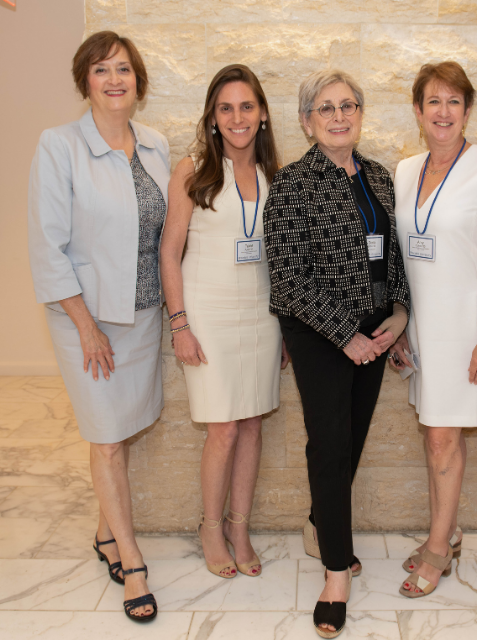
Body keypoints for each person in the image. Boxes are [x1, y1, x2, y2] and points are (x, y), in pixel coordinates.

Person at [264, 69, 410, 638]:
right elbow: (287, 279)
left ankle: (318, 524)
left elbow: (393, 254)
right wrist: (344, 333)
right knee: (329, 442)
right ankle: (334, 573)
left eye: (348, 105)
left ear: (360, 112)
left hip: (375, 331)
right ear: (307, 121)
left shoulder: (378, 175)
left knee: (353, 435)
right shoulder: (292, 184)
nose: (339, 115)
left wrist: (398, 316)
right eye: (325, 108)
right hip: (321, 334)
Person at [27, 31, 167, 622]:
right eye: (102, 70)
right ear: (85, 80)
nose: (114, 80)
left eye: (124, 70)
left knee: (123, 430)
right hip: (87, 319)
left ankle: (106, 533)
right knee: (106, 437)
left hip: (144, 313)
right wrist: (85, 326)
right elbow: (46, 245)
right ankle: (131, 562)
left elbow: (171, 230)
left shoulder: (157, 144)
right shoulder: (58, 146)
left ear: (139, 82)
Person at [388, 62, 477, 599]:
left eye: (454, 102)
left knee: (444, 436)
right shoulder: (404, 169)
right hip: (422, 326)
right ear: (417, 112)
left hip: (469, 326)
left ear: (467, 111)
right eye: (433, 102)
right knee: (435, 433)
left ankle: (439, 547)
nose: (443, 112)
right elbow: (398, 257)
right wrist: (398, 327)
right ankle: (448, 529)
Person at [159, 64, 288, 580]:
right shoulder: (191, 170)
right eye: (226, 108)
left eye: (247, 106)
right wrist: (180, 325)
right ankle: (210, 526)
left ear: (262, 115)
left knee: (253, 423)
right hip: (207, 313)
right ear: (213, 117)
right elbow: (169, 254)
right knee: (224, 429)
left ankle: (240, 526)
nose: (238, 117)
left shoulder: (274, 174)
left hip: (261, 314)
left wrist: (285, 326)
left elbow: (281, 259)